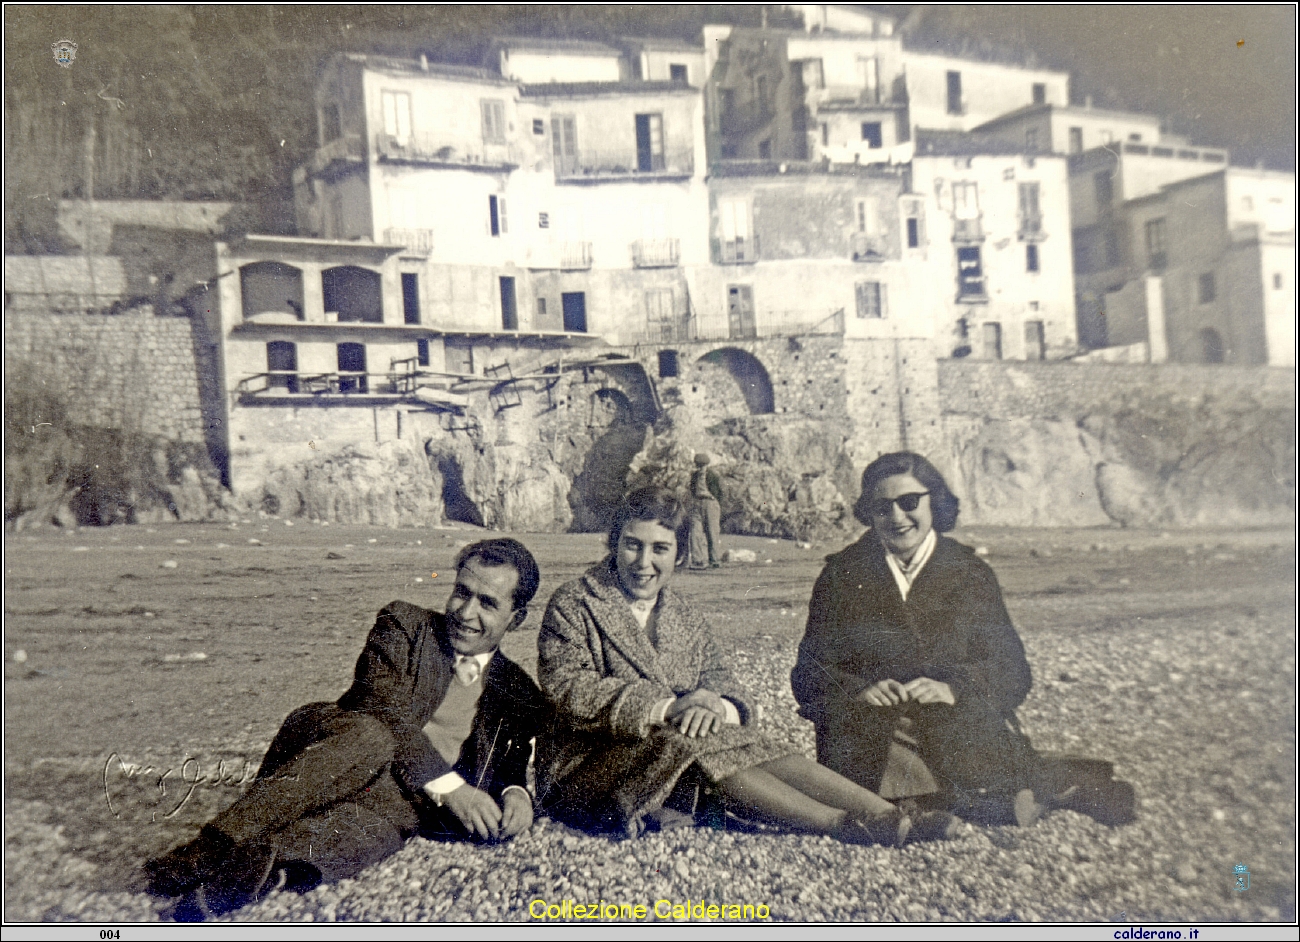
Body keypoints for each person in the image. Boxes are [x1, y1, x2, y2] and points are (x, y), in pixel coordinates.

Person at [143, 539, 549, 920]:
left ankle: (265, 870)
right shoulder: (404, 624)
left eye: (487, 603)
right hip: (333, 751)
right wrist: (450, 788)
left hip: (397, 792)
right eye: (462, 592)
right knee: (372, 738)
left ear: (517, 618)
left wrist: (518, 796)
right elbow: (381, 709)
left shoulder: (517, 689)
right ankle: (208, 851)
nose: (465, 612)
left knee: (389, 825)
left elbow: (510, 763)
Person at [535, 486, 959, 847]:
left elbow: (721, 680)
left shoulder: (684, 614)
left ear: (679, 555)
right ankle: (840, 824)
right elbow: (569, 688)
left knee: (737, 738)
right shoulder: (575, 602)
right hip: (584, 770)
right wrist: (670, 708)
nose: (644, 562)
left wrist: (715, 705)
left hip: (664, 752)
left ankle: (883, 811)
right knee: (689, 739)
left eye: (660, 548)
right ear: (614, 543)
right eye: (633, 544)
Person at [791, 452, 1135, 827]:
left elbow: (1013, 671)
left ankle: (992, 795)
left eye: (909, 503)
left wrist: (952, 688)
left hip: (954, 721)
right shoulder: (841, 574)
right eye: (882, 507)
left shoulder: (971, 572)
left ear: (934, 501)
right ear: (868, 513)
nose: (897, 518)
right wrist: (857, 688)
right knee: (882, 758)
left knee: (951, 749)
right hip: (871, 727)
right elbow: (809, 670)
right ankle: (1020, 792)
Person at [688, 452, 723, 569]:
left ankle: (714, 560)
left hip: (710, 502)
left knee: (712, 532)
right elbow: (692, 489)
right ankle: (697, 560)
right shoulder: (694, 475)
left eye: (701, 465)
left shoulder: (713, 475)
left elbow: (720, 492)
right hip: (697, 502)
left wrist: (716, 502)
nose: (700, 467)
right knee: (695, 532)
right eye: (699, 465)